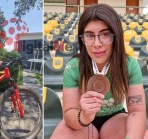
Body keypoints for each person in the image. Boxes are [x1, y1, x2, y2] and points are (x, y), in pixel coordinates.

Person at [51, 4, 146, 139]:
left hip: (116, 119)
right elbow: (69, 112)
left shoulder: (129, 65)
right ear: (82, 39)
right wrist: (84, 116)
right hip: (82, 120)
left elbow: (137, 111)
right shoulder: (73, 68)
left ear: (116, 35)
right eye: (90, 36)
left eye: (105, 34)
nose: (97, 44)